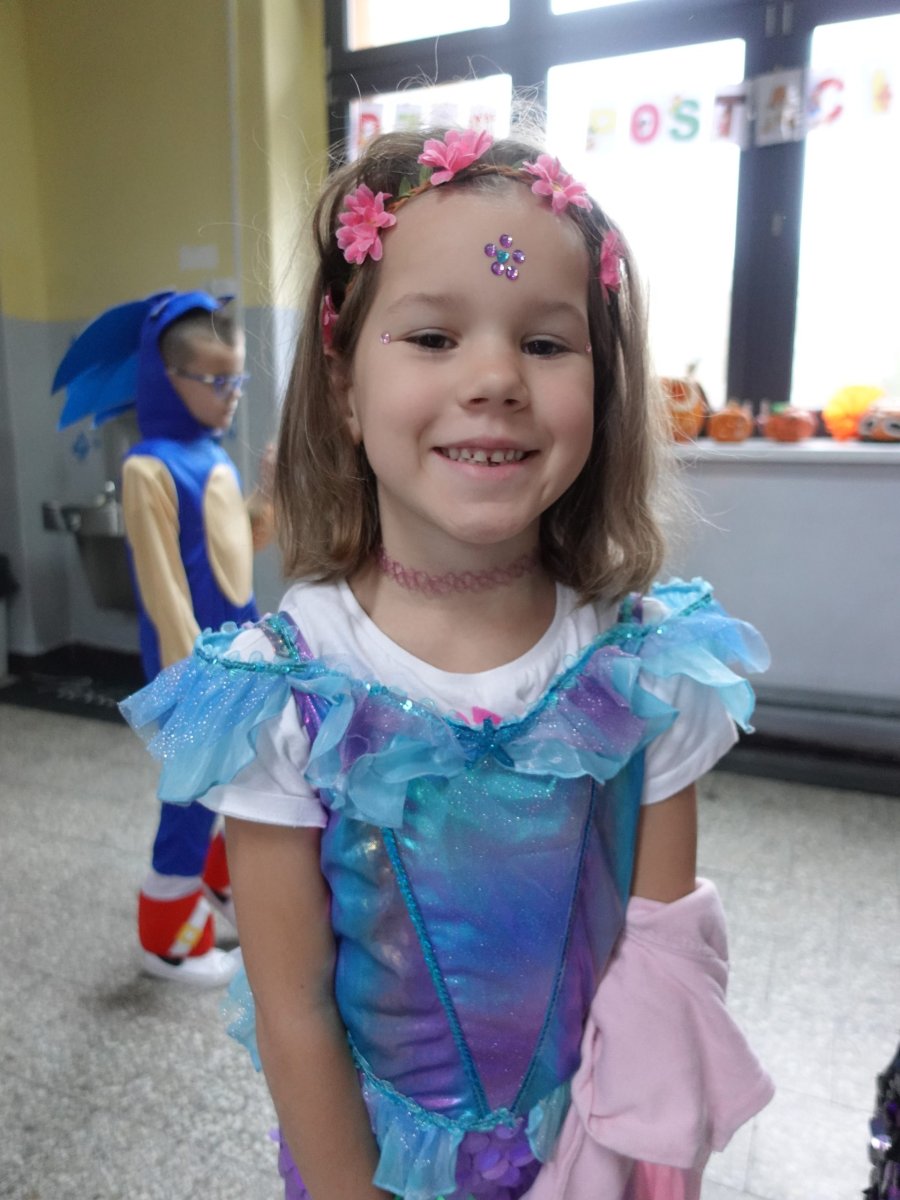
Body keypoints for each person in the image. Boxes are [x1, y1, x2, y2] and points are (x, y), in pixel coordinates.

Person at [122, 128, 774, 1198]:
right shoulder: (286, 692)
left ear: (605, 384)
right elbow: (294, 1008)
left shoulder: (643, 666)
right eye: (432, 336)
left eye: (547, 344)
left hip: (593, 1156)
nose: (496, 378)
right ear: (343, 384)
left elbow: (662, 970)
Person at [55, 290, 274, 988]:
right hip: (196, 668)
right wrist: (193, 683)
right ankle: (166, 939)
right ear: (166, 378)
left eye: (237, 378)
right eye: (216, 380)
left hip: (235, 656)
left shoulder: (213, 456)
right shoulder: (148, 468)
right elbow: (163, 590)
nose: (231, 395)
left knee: (242, 777)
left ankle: (221, 883)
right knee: (190, 797)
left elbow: (236, 551)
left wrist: (269, 494)